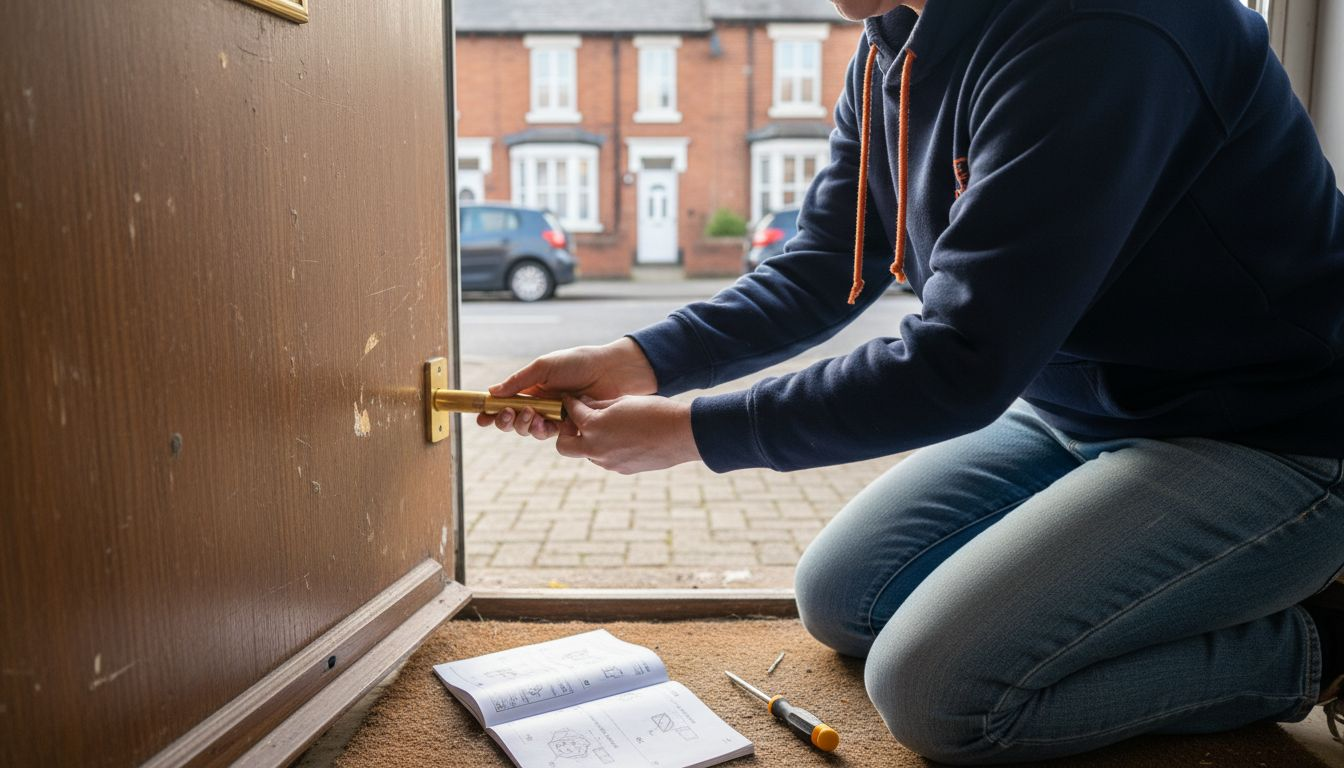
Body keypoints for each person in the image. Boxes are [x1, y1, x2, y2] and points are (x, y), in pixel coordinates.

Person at [479, 0, 1344, 763]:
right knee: (842, 599)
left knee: (941, 697)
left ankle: (1321, 642)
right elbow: (824, 261)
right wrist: (639, 359)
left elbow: (959, 364)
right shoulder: (895, 33)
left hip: (1269, 427)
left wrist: (690, 432)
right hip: (1070, 409)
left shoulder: (1107, 30)